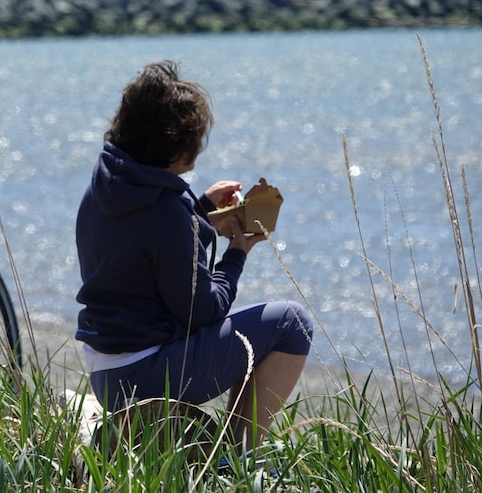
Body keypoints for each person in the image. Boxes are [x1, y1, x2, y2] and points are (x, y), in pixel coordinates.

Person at [74, 60, 313, 454]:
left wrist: (198, 214)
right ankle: (239, 455)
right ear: (178, 142)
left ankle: (225, 452)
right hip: (148, 378)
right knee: (292, 323)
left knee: (281, 322)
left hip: (105, 373)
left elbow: (141, 254)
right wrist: (237, 251)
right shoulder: (166, 211)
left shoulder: (105, 186)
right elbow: (202, 311)